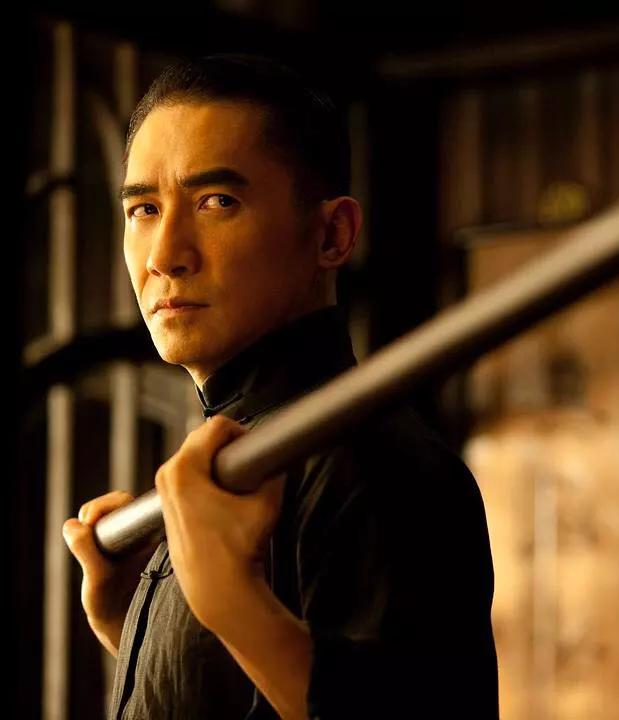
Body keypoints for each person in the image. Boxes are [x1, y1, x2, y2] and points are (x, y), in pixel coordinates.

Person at [60, 53, 499, 719]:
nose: (164, 255)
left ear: (331, 234)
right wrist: (141, 627)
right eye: (144, 208)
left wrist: (229, 601)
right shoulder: (239, 455)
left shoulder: (380, 465)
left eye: (217, 202)